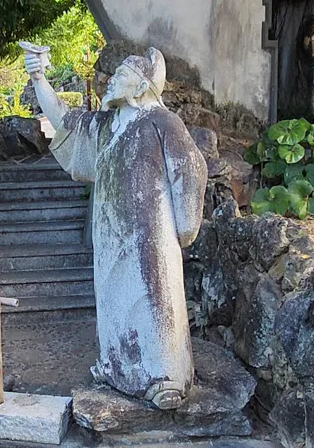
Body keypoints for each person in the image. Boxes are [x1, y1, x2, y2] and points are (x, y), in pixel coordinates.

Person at [23, 46, 207, 409]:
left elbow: (189, 170)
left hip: (150, 237)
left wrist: (186, 226)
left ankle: (165, 375)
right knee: (114, 302)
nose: (111, 81)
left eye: (121, 75)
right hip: (111, 237)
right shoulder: (107, 126)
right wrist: (38, 77)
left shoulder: (163, 122)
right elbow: (65, 120)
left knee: (155, 300)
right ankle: (118, 368)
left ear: (140, 85)